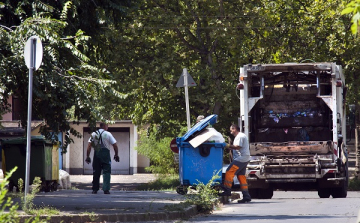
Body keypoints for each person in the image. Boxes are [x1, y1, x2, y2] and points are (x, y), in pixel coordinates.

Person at [219, 124, 251, 203]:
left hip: (241, 158)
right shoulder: (241, 136)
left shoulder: (240, 136)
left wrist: (227, 145)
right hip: (245, 158)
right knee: (241, 177)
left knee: (229, 171)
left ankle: (227, 190)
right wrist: (228, 147)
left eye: (231, 130)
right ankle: (246, 196)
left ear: (235, 129)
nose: (231, 132)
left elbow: (237, 147)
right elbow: (236, 147)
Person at [86, 122, 120, 194]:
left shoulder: (94, 134)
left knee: (96, 172)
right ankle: (106, 189)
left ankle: (95, 189)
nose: (107, 127)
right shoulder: (108, 134)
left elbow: (89, 146)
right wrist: (116, 155)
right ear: (104, 126)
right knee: (106, 172)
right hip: (105, 155)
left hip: (97, 154)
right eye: (107, 126)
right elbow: (115, 145)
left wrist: (87, 156)